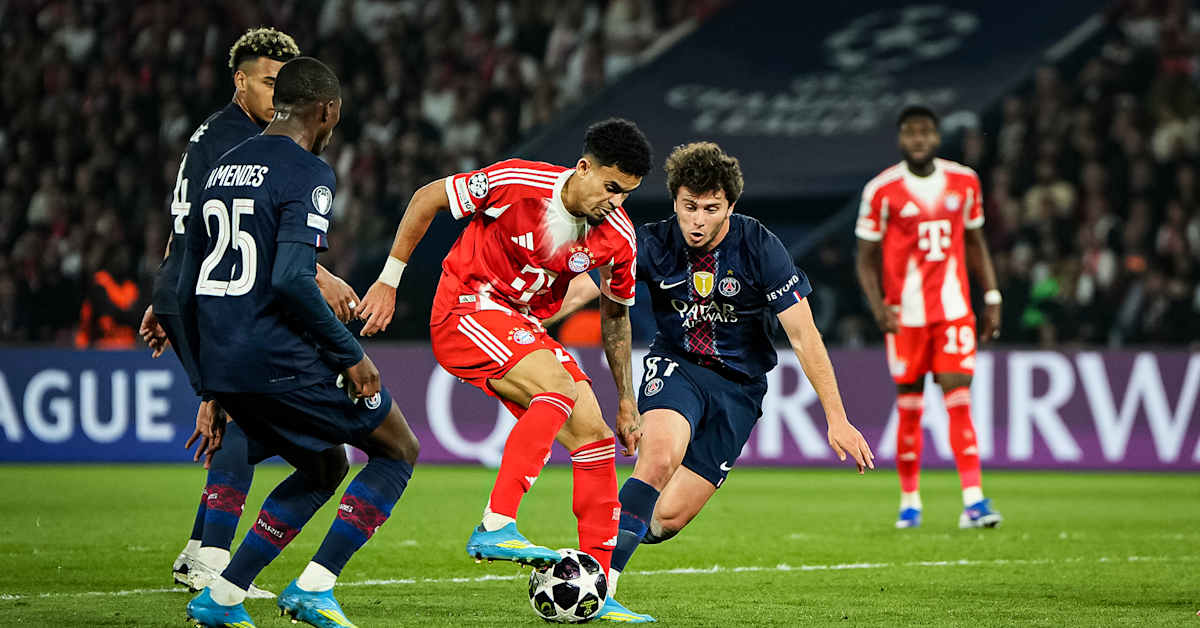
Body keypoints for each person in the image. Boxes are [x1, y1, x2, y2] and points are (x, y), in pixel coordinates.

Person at [554, 142, 875, 622]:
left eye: (710, 209)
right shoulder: (652, 242)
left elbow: (804, 334)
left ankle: (607, 540)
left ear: (730, 206)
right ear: (674, 201)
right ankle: (600, 583)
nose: (697, 221)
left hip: (740, 388)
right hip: (677, 365)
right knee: (658, 458)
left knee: (667, 518)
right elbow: (585, 285)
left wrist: (837, 417)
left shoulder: (759, 245)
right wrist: (524, 319)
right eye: (689, 207)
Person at [356, 118, 652, 621]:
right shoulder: (517, 182)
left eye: (626, 193)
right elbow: (428, 198)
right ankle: (496, 524)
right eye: (611, 187)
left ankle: (597, 589)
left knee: (595, 437)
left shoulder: (618, 238)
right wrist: (389, 279)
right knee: (557, 388)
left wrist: (626, 398)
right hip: (464, 307)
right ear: (583, 168)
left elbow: (616, 315)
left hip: (521, 324)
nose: (616, 202)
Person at [176, 56, 420, 628]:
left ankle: (222, 596)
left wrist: (207, 383)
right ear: (327, 110)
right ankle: (314, 588)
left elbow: (184, 287)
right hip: (273, 354)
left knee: (324, 466)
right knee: (398, 448)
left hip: (223, 359)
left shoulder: (223, 167)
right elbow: (291, 277)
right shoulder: (308, 172)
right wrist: (350, 354)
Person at [137, 28, 359, 596]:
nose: (276, 94)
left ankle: (199, 551)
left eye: (283, 84)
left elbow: (193, 225)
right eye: (267, 82)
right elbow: (246, 240)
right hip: (210, 292)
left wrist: (166, 288)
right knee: (239, 415)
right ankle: (212, 559)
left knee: (238, 411)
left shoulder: (215, 134)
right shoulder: (241, 141)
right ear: (239, 81)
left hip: (192, 285)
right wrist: (324, 276)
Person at [855, 105, 1003, 529]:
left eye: (925, 132)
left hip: (953, 311)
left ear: (936, 137)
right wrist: (878, 307)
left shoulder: (964, 181)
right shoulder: (881, 190)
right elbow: (865, 258)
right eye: (910, 132)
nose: (918, 139)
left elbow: (975, 242)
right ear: (901, 138)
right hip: (905, 316)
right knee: (910, 409)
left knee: (959, 402)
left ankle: (974, 501)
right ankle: (910, 503)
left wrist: (992, 295)